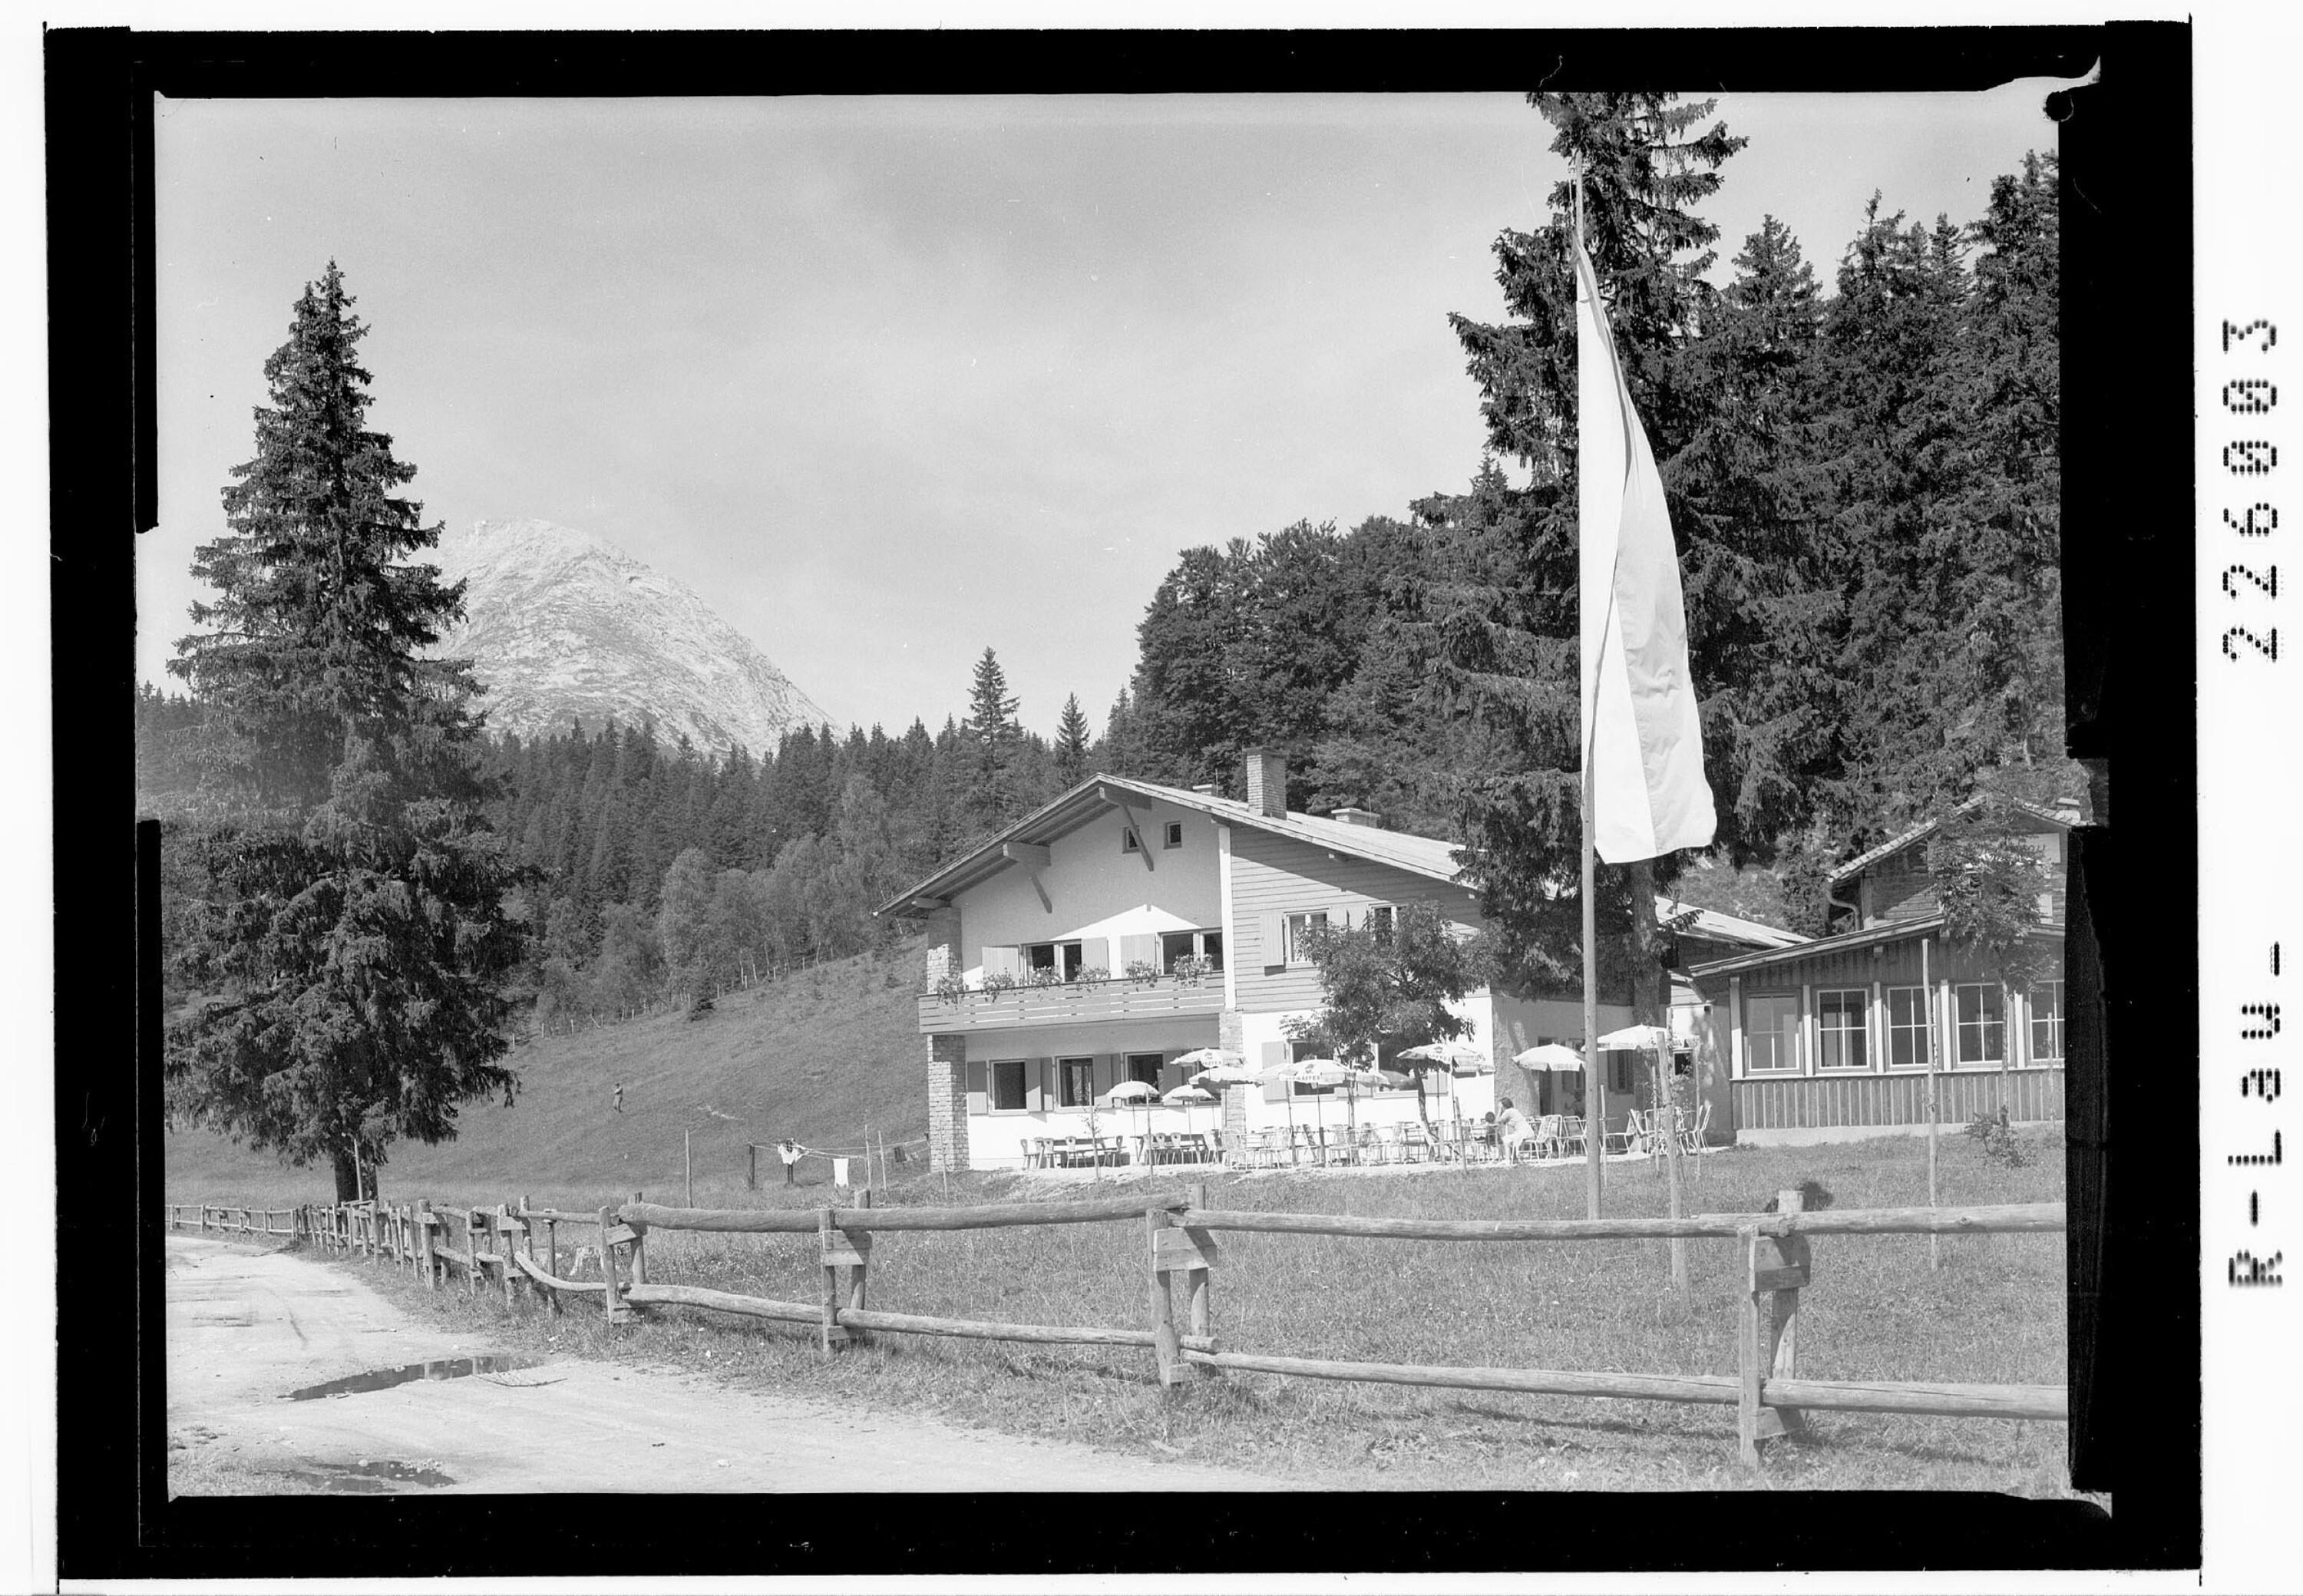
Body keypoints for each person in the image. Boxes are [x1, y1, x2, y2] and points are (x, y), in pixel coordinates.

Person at [1496, 1097, 1536, 1164]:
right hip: (1529, 1133)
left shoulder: (1508, 1112)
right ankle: (1514, 1159)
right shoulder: (1514, 1111)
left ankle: (1508, 1160)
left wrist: (1499, 1110)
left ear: (1503, 1106)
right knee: (1511, 1139)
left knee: (1505, 1139)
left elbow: (1498, 1121)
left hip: (1523, 1134)